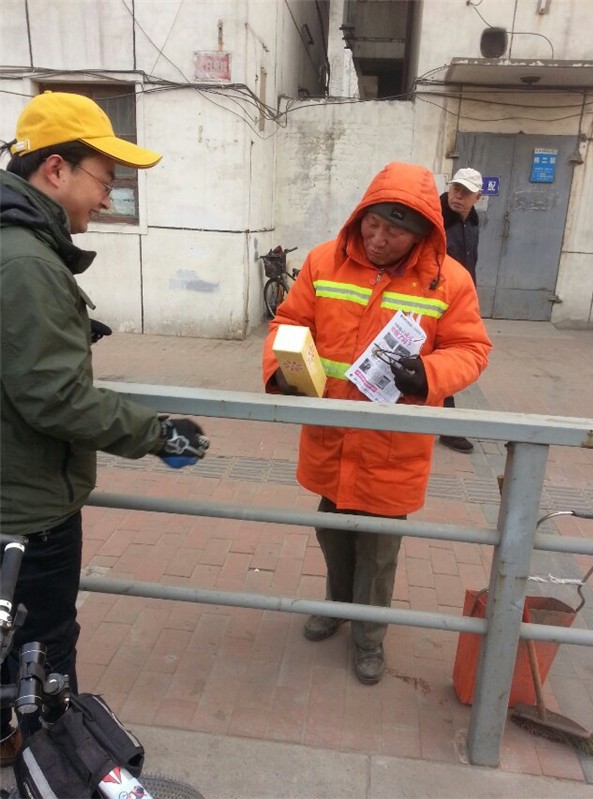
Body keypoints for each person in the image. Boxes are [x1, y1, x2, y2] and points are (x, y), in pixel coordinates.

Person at [0, 91, 208, 765]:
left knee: (12, 657)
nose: (108, 198)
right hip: (27, 513)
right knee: (42, 662)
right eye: (104, 179)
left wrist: (61, 331)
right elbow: (56, 398)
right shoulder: (26, 262)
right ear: (55, 169)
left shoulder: (17, 249)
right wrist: (157, 432)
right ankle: (51, 769)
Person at [263, 162, 491, 686]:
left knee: (379, 552)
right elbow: (290, 321)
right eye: (372, 224)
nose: (378, 239)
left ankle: (369, 638)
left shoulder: (449, 280)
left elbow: (472, 348)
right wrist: (281, 368)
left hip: (393, 448)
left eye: (394, 231)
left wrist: (429, 374)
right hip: (332, 439)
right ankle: (337, 607)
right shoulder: (324, 261)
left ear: (422, 233)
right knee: (332, 533)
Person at [438, 167, 483, 453]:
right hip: (435, 301)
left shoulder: (473, 222)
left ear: (477, 197)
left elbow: (469, 262)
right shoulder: (436, 218)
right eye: (456, 188)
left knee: (447, 358)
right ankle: (448, 428)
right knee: (444, 358)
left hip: (460, 300)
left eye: (466, 192)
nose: (458, 195)